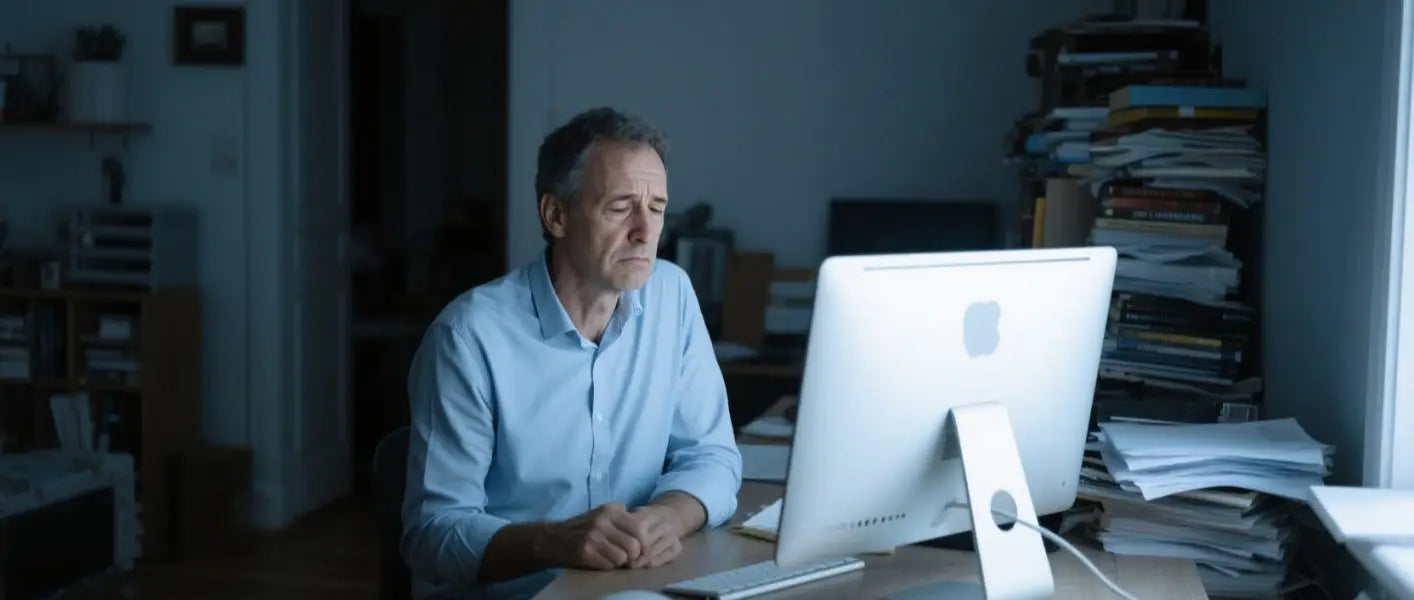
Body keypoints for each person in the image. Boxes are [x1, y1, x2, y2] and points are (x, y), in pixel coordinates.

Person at [400, 106, 744, 600]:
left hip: (637, 588)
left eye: (657, 207)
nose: (647, 233)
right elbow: (432, 535)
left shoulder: (672, 296)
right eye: (621, 207)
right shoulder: (468, 337)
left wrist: (666, 517)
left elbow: (711, 455)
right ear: (555, 215)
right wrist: (553, 542)